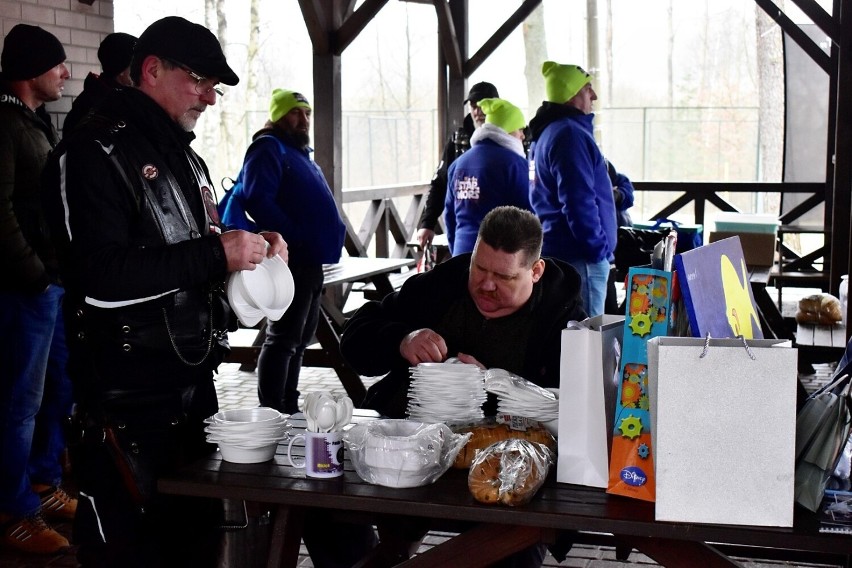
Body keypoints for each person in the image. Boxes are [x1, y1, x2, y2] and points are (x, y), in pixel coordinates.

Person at [41, 16, 286, 567]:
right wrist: (216, 253)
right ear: (152, 70)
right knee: (131, 553)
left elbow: (189, 254)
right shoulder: (89, 153)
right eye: (200, 79)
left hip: (194, 390)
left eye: (213, 85)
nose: (210, 98)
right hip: (126, 405)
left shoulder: (186, 157)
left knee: (194, 545)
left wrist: (250, 253)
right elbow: (99, 278)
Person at [340, 206, 585, 567]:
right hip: (409, 455)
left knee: (511, 548)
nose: (486, 285)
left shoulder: (563, 317)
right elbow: (354, 338)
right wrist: (401, 339)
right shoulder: (442, 285)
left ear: (535, 271)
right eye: (480, 268)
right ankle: (387, 549)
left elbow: (577, 408)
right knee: (319, 503)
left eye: (503, 277)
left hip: (506, 468)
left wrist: (500, 388)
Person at [221, 89, 345, 415]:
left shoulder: (298, 152)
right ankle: (273, 411)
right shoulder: (268, 148)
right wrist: (294, 237)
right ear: (278, 116)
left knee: (301, 337)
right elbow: (258, 198)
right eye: (295, 112)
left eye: (307, 112)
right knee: (283, 338)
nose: (303, 119)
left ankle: (288, 404)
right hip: (290, 259)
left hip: (311, 259)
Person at [0, 23, 75, 556]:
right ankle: (13, 511)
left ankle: (43, 484)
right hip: (23, 287)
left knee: (53, 391)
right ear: (31, 71)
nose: (65, 73)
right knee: (18, 403)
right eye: (57, 64)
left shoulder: (35, 121)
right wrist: (33, 274)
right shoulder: (3, 124)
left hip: (48, 282)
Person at [528, 61, 616, 317]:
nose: (594, 96)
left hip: (560, 251)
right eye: (588, 88)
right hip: (581, 259)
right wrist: (596, 251)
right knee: (587, 337)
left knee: (569, 337)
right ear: (571, 95)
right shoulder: (569, 135)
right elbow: (578, 202)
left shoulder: (546, 134)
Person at [415, 81, 498, 249]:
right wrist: (427, 223)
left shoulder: (512, 138)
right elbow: (440, 183)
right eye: (474, 106)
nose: (477, 112)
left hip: (501, 232)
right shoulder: (458, 140)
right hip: (464, 232)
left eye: (483, 106)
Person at [444, 97, 531, 256]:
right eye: (520, 129)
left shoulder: (458, 165)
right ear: (508, 130)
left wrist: (455, 250)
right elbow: (530, 216)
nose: (523, 136)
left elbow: (449, 217)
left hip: (461, 252)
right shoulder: (515, 164)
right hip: (499, 259)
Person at [62, 32, 136, 137]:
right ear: (121, 69)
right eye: (136, 65)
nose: (141, 72)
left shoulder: (111, 98)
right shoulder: (94, 107)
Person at [605, 159, 635, 314]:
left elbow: (628, 195)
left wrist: (614, 194)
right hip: (606, 246)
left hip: (619, 237)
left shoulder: (612, 172)